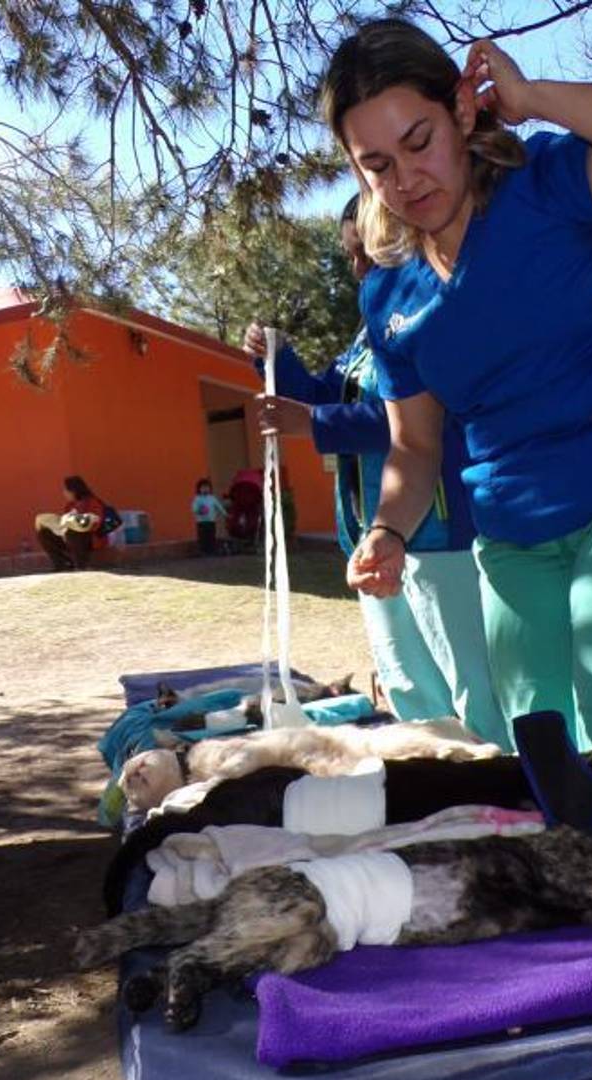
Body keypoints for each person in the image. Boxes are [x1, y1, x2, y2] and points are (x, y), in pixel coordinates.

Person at [321, 20, 592, 789]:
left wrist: (534, 96)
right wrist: (386, 531)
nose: (406, 178)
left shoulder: (548, 185)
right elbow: (413, 447)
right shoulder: (389, 292)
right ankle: (587, 906)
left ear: (463, 112)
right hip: (512, 542)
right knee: (537, 753)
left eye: (419, 141)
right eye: (376, 164)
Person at [242, 196, 509, 748]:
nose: (358, 267)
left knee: (471, 684)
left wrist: (313, 423)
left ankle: (498, 786)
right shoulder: (368, 336)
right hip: (372, 538)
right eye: (349, 256)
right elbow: (325, 394)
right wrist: (278, 360)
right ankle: (437, 788)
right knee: (407, 681)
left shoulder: (440, 313)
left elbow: (411, 423)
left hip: (440, 534)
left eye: (366, 252)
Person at [34, 475, 106, 571]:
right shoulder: (69, 505)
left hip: (90, 538)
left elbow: (96, 523)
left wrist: (75, 524)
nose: (64, 493)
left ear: (73, 491)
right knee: (44, 533)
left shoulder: (92, 502)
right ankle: (62, 564)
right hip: (69, 538)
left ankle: (81, 565)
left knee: (72, 531)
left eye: (65, 490)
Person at [192, 479, 227, 555]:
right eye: (203, 488)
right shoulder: (197, 499)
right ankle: (203, 550)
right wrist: (199, 511)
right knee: (202, 536)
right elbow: (194, 508)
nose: (205, 489)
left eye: (207, 487)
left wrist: (225, 514)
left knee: (211, 535)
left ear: (210, 489)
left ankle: (211, 550)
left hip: (211, 521)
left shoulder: (212, 498)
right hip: (201, 522)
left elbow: (219, 506)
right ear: (199, 489)